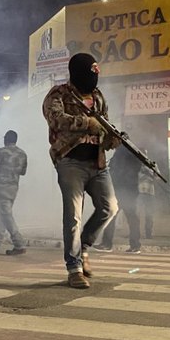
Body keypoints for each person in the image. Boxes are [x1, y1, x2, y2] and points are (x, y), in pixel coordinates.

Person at [42, 53, 120, 289]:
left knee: (110, 207)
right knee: (73, 216)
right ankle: (74, 268)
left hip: (97, 163)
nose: (92, 80)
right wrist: (87, 123)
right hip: (70, 161)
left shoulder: (98, 97)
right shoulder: (59, 94)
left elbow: (104, 124)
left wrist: (111, 138)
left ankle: (84, 246)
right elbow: (55, 119)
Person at [0, 130, 28, 255]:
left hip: (1, 188)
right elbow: (23, 172)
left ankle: (19, 244)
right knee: (3, 215)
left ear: (6, 139)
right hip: (13, 189)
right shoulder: (22, 154)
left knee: (6, 216)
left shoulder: (0, 152)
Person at [93, 145, 142, 254]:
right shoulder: (133, 153)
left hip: (122, 190)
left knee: (112, 216)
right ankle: (135, 245)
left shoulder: (122, 152)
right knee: (132, 218)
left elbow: (117, 170)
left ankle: (107, 244)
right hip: (129, 190)